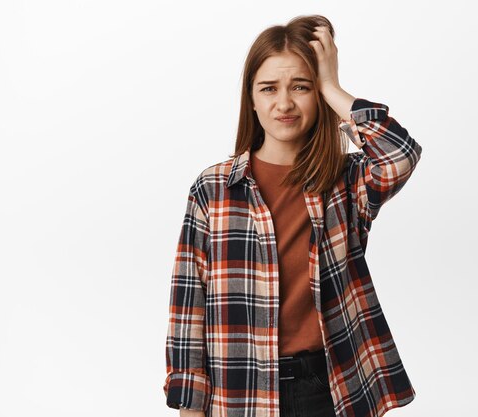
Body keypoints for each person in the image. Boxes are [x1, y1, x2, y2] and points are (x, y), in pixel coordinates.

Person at [163, 14, 423, 417]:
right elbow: (188, 303)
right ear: (251, 98)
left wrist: (331, 86)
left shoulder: (346, 181)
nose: (284, 103)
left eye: (300, 87)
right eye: (268, 88)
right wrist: (189, 405)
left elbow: (400, 155)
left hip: (326, 387)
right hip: (238, 391)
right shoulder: (213, 188)